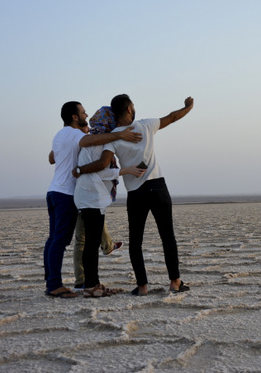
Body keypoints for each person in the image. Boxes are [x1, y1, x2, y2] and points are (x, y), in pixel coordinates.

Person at [73, 95, 194, 296]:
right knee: (167, 236)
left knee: (136, 241)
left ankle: (142, 286)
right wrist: (188, 106)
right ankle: (175, 282)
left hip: (136, 192)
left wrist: (79, 170)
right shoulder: (145, 125)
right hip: (157, 185)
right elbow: (172, 117)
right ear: (129, 109)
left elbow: (103, 164)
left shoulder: (113, 138)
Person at [44, 101, 141, 299]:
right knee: (60, 242)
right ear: (74, 117)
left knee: (54, 240)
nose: (86, 114)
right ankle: (54, 285)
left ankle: (52, 281)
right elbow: (93, 144)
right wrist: (120, 135)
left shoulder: (60, 135)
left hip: (54, 190)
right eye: (82, 112)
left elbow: (51, 158)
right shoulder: (77, 135)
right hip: (66, 194)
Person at [74, 106, 146, 298]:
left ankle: (92, 283)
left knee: (91, 241)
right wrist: (126, 170)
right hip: (92, 196)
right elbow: (101, 169)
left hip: (89, 195)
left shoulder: (94, 141)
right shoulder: (99, 144)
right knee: (91, 242)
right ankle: (92, 286)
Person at [49, 126, 124, 291]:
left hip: (73, 192)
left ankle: (80, 280)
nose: (88, 130)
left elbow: (51, 158)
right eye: (85, 128)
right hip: (77, 192)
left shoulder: (67, 139)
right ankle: (84, 282)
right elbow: (101, 167)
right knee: (81, 239)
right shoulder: (82, 141)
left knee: (80, 237)